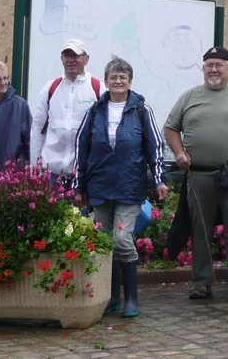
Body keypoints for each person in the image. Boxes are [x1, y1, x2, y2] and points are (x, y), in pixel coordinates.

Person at [163, 46, 228, 302]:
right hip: (198, 176)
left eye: (220, 64)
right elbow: (171, 128)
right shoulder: (189, 97)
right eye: (209, 65)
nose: (214, 69)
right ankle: (201, 283)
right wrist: (179, 152)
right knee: (200, 232)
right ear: (203, 69)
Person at [76, 57, 169, 318]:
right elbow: (81, 148)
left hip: (130, 186)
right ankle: (111, 297)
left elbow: (155, 148)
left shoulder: (141, 109)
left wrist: (159, 179)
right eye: (113, 77)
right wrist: (79, 186)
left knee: (120, 238)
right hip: (100, 186)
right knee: (105, 242)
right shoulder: (95, 111)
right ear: (105, 81)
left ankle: (131, 299)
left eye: (123, 77)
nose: (118, 81)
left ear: (130, 81)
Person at [30, 38, 102, 190]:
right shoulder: (51, 88)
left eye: (75, 56)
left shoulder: (98, 88)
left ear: (86, 59)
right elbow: (37, 128)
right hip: (51, 174)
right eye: (67, 56)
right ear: (61, 58)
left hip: (83, 174)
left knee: (82, 215)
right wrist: (34, 166)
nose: (71, 60)